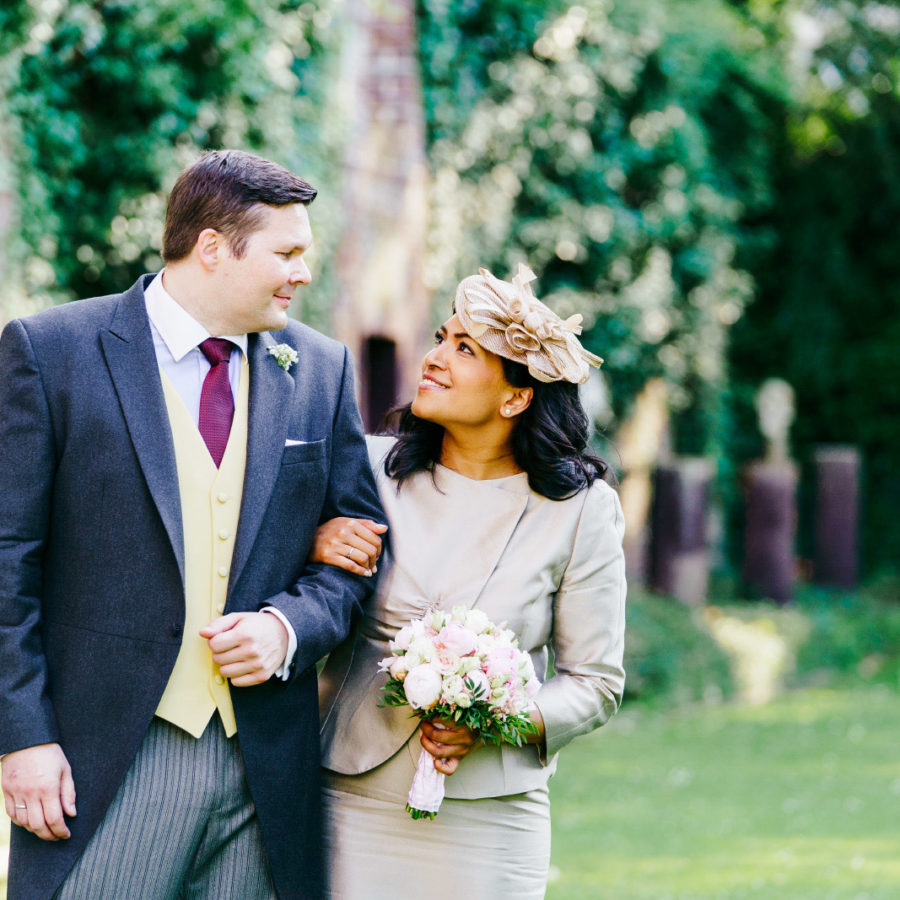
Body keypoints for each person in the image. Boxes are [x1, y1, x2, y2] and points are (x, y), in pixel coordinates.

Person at [0, 149, 384, 900]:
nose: (303, 273)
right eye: (286, 253)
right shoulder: (52, 353)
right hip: (100, 756)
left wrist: (289, 627)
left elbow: (355, 548)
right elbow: (8, 559)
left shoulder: (321, 368)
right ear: (212, 247)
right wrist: (23, 737)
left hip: (264, 768)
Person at [315, 265, 626, 898]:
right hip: (349, 800)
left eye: (465, 349)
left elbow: (596, 683)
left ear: (516, 398)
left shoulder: (581, 510)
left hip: (492, 818)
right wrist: (314, 543)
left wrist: (498, 717)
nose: (434, 358)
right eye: (441, 338)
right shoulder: (365, 467)